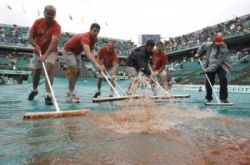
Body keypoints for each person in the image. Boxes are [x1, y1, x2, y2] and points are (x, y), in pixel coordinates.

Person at [27, 5, 61, 105]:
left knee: (49, 68)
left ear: (55, 15)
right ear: (44, 13)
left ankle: (48, 95)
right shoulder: (37, 22)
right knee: (36, 73)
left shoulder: (57, 26)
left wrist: (45, 55)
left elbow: (54, 42)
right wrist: (36, 45)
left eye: (53, 14)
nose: (50, 16)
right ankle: (34, 90)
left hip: (51, 51)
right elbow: (30, 38)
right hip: (38, 50)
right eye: (48, 13)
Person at [62, 23, 103, 103]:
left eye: (98, 31)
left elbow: (92, 50)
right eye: (94, 30)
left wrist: (96, 61)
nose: (96, 33)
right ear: (90, 30)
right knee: (74, 71)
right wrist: (96, 65)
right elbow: (87, 53)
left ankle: (70, 90)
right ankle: (71, 94)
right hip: (68, 50)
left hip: (77, 53)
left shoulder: (95, 39)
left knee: (78, 72)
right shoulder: (85, 37)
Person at [195, 34, 231, 103]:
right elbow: (201, 47)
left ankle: (223, 98)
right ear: (214, 41)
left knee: (223, 79)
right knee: (209, 82)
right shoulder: (208, 45)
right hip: (209, 63)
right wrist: (198, 53)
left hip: (220, 65)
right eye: (217, 43)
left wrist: (208, 69)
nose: (218, 45)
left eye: (220, 43)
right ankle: (209, 98)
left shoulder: (224, 50)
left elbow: (218, 63)